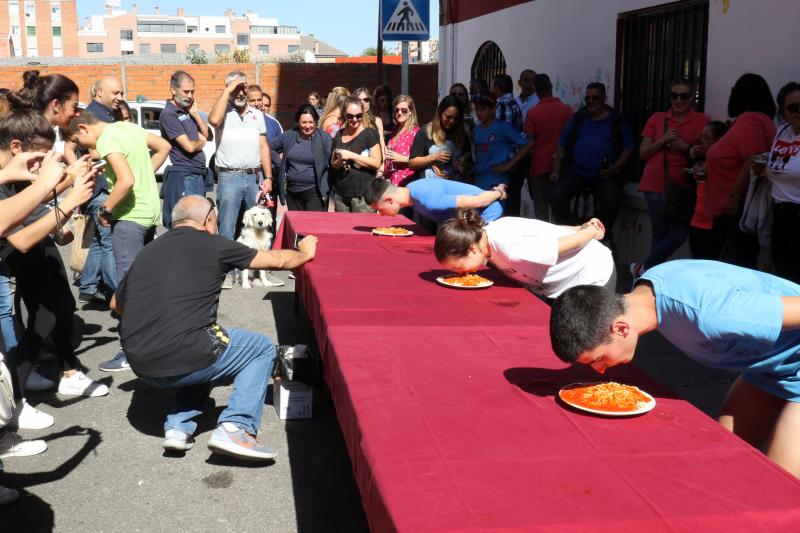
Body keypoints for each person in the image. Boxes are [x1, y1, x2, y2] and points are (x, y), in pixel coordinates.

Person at [550, 259, 800, 478]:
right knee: (725, 457)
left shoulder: (712, 314)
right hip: (769, 366)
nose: (600, 370)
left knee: (780, 485)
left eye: (599, 358)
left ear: (621, 328)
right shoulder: (647, 291)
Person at [111, 195, 318, 460]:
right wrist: (303, 252)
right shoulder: (214, 244)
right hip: (185, 352)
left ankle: (178, 427)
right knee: (260, 348)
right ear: (209, 219)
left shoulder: (149, 250)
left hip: (140, 362)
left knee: (202, 346)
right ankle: (237, 428)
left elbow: (116, 303)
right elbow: (276, 261)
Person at [0, 109, 101, 430]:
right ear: (16, 148)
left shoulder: (11, 176)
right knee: (20, 336)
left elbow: (34, 201)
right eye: (39, 157)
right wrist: (70, 199)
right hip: (14, 265)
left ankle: (27, 391)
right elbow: (20, 236)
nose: (42, 166)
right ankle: (13, 404)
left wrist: (67, 185)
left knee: (52, 315)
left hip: (17, 261)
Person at [62, 109, 171, 372]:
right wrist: (141, 172)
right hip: (147, 212)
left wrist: (105, 209)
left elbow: (126, 180)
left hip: (129, 218)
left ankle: (131, 351)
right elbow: (164, 146)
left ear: (84, 129)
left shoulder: (107, 139)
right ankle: (154, 340)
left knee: (126, 289)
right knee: (141, 282)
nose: (83, 148)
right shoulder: (126, 128)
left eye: (79, 141)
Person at [434, 209, 614, 300]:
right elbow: (548, 231)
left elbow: (571, 243)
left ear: (471, 250)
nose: (460, 273)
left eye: (458, 268)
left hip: (591, 272)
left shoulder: (512, 249)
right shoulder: (485, 242)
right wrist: (577, 228)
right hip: (559, 284)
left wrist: (591, 231)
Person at [632, 80, 710, 277]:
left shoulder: (703, 121)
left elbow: (708, 152)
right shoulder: (657, 119)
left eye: (684, 96)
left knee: (678, 235)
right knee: (660, 232)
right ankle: (652, 280)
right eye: (674, 95)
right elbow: (643, 153)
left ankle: (644, 269)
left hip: (684, 185)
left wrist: (686, 148)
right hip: (656, 182)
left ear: (692, 98)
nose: (678, 100)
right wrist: (664, 139)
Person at [208, 71, 274, 289]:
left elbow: (263, 147)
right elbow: (213, 120)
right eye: (235, 88)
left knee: (259, 226)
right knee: (227, 227)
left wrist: (268, 177)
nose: (240, 92)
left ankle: (260, 273)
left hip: (254, 177)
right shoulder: (224, 112)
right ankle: (227, 273)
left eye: (242, 87)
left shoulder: (257, 114)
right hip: (229, 176)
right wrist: (229, 89)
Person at [704, 73, 776, 268]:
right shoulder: (755, 121)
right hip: (733, 210)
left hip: (735, 211)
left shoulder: (750, 121)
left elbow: (752, 159)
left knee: (734, 266)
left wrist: (734, 196)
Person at [549, 82, 634, 242]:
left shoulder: (616, 121)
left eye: (595, 97)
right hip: (577, 172)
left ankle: (600, 235)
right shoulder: (578, 119)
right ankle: (571, 233)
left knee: (611, 201)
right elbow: (561, 146)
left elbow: (628, 148)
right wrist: (555, 172)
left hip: (603, 176)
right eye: (587, 98)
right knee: (556, 195)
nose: (591, 101)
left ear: (603, 98)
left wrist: (615, 168)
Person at [69, 76, 125, 305]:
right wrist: (81, 172)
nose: (120, 98)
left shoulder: (108, 114)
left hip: (103, 186)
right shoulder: (90, 115)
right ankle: (117, 294)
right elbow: (68, 146)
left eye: (120, 93)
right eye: (116, 93)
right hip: (101, 189)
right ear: (100, 92)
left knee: (100, 241)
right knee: (110, 242)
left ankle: (88, 286)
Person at [159, 71, 211, 229]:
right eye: (186, 91)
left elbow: (206, 134)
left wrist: (195, 113)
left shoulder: (188, 111)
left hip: (197, 175)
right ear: (173, 90)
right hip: (184, 176)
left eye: (192, 92)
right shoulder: (169, 114)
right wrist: (201, 140)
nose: (190, 95)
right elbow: (189, 146)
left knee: (199, 221)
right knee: (187, 223)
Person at [524, 74, 573, 221]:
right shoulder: (567, 110)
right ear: (551, 88)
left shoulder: (533, 113)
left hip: (539, 164)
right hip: (563, 164)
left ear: (536, 91)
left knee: (541, 208)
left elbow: (530, 141)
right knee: (560, 206)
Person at [365, 176, 506, 225]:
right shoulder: (411, 190)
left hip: (487, 214)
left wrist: (499, 192)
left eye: (381, 210)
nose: (381, 215)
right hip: (473, 217)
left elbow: (479, 201)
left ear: (389, 200)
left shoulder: (428, 199)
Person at [767, 81, 800, 283]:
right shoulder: (782, 131)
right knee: (783, 273)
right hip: (779, 214)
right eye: (793, 108)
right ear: (784, 112)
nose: (799, 112)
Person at [271, 104, 332, 212]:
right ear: (298, 122)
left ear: (316, 122)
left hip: (315, 192)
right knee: (296, 226)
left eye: (311, 122)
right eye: (304, 122)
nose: (308, 126)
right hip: (292, 193)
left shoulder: (324, 138)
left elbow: (332, 161)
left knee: (312, 226)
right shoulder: (289, 136)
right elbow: (269, 148)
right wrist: (280, 164)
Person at [470, 93, 534, 191]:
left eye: (482, 109)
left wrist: (509, 165)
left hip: (497, 183)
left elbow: (529, 143)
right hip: (479, 182)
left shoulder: (503, 127)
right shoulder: (476, 130)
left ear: (493, 110)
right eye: (477, 109)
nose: (478, 113)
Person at [329, 96, 381, 212]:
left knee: (360, 229)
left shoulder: (369, 134)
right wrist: (340, 162)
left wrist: (351, 155)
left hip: (362, 196)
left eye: (358, 116)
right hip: (341, 194)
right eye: (350, 116)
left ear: (363, 114)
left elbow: (377, 162)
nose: (355, 119)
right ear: (345, 115)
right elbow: (333, 163)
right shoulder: (339, 134)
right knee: (341, 229)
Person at [688, 121, 728, 260]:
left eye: (706, 138)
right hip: (696, 220)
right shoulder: (704, 160)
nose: (701, 141)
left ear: (718, 141)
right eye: (701, 137)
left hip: (712, 223)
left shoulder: (722, 161)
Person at [409, 95, 467, 181]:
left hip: (453, 187)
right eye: (448, 117)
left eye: (456, 118)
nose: (452, 121)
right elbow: (412, 164)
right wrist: (434, 157)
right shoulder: (426, 131)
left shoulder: (462, 134)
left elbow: (469, 163)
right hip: (429, 186)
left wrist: (462, 164)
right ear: (440, 113)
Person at [383, 95, 420, 187]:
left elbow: (421, 160)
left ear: (410, 112)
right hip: (390, 180)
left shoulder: (416, 132)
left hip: (406, 182)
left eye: (404, 110)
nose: (399, 113)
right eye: (397, 110)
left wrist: (403, 159)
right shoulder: (395, 130)